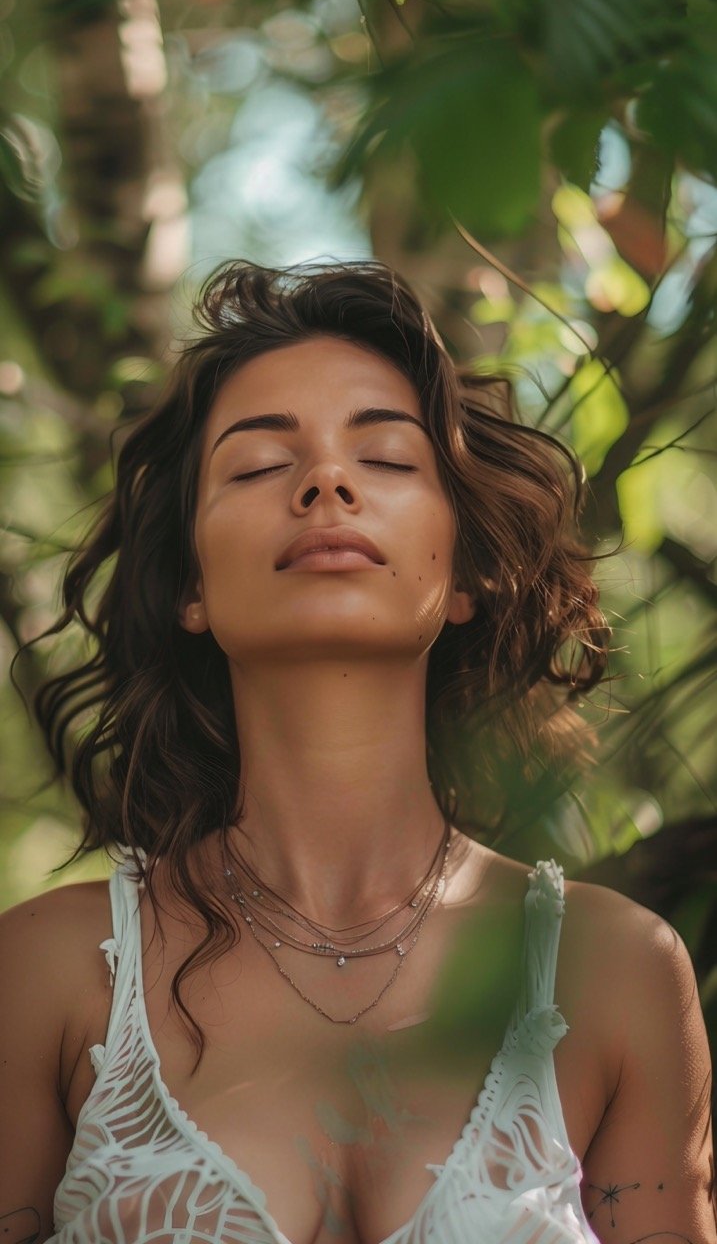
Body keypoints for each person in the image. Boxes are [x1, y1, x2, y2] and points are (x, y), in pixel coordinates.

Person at [0, 261, 714, 1244]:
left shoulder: (617, 969)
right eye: (256, 466)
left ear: (463, 572)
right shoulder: (46, 970)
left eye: (384, 458)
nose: (326, 482)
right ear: (189, 586)